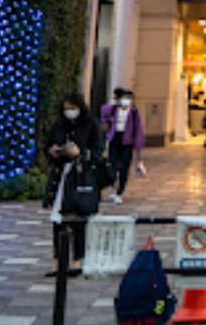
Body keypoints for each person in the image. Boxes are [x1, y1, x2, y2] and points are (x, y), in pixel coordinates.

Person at [44, 93, 104, 273]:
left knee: (79, 218)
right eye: (66, 109)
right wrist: (54, 151)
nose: (69, 112)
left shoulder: (91, 124)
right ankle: (58, 260)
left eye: (72, 108)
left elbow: (98, 151)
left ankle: (78, 259)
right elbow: (48, 145)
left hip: (81, 176)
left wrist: (81, 153)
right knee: (58, 220)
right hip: (61, 175)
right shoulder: (59, 125)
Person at [99, 88, 145, 204]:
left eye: (129, 98)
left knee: (124, 167)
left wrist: (138, 147)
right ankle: (112, 188)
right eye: (124, 98)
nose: (127, 101)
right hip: (114, 140)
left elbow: (138, 129)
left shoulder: (133, 112)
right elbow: (104, 119)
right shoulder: (112, 110)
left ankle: (120, 191)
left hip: (127, 142)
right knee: (112, 166)